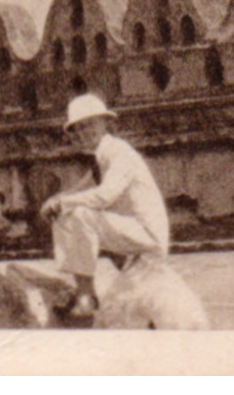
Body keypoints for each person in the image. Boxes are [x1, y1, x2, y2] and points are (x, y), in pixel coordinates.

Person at [39, 93, 170, 319]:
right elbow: (79, 189)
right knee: (68, 211)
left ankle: (86, 296)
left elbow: (104, 197)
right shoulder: (103, 156)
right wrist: (56, 200)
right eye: (77, 129)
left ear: (105, 123)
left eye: (88, 125)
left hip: (148, 236)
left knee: (77, 214)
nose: (82, 133)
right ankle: (95, 287)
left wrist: (62, 203)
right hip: (134, 232)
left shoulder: (119, 153)